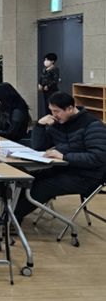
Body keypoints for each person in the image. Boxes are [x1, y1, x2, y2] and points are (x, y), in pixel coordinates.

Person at [13, 92, 106, 222]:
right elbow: (38, 146)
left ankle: (10, 219)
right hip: (62, 169)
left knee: (43, 187)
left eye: (56, 111)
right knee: (27, 179)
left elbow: (97, 157)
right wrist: (40, 125)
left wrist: (64, 157)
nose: (53, 115)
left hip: (87, 176)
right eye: (51, 110)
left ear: (70, 108)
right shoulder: (58, 123)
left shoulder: (92, 125)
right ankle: (8, 216)